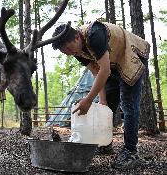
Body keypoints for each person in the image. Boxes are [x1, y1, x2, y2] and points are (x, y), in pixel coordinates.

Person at [52, 21, 150, 169]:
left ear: (77, 37)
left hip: (132, 54)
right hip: (112, 63)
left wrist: (89, 100)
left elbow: (104, 71)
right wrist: (102, 100)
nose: (70, 53)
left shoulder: (94, 34)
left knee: (128, 104)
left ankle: (131, 151)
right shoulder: (77, 51)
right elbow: (96, 71)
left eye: (69, 49)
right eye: (65, 52)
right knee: (106, 106)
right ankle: (105, 144)